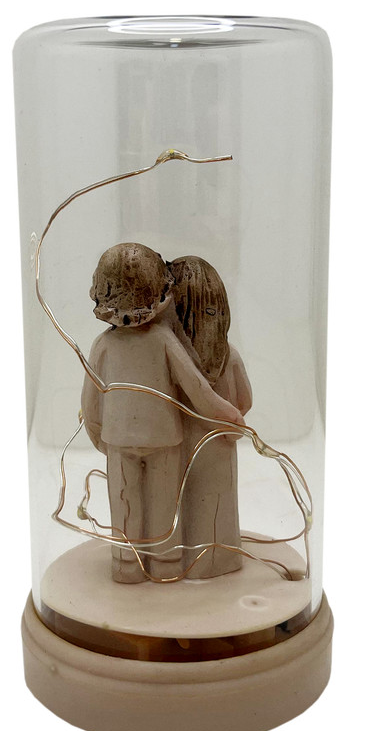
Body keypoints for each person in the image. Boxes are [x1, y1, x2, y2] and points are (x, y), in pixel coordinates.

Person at [81, 243, 245, 583]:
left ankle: (127, 567)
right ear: (161, 297)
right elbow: (196, 388)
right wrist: (229, 415)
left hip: (121, 441)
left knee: (125, 506)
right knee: (164, 507)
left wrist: (99, 436)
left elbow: (90, 400)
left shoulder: (104, 344)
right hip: (165, 439)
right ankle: (164, 566)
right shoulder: (162, 339)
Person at [169, 255, 253, 578]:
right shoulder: (230, 356)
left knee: (187, 506)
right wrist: (231, 419)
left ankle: (189, 565)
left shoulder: (175, 359)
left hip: (184, 447)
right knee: (217, 508)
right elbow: (245, 399)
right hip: (220, 444)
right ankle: (219, 561)